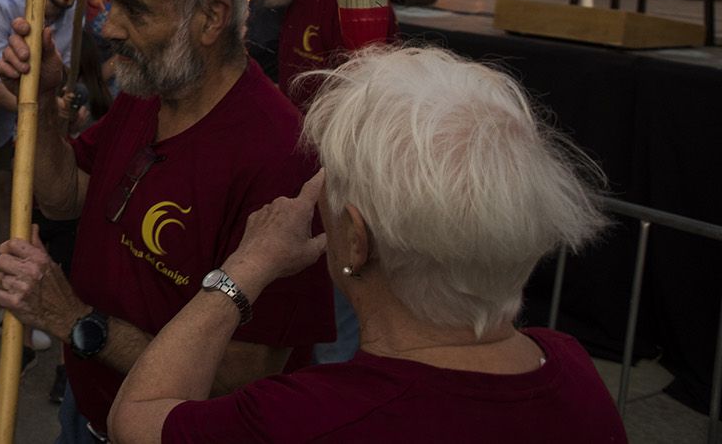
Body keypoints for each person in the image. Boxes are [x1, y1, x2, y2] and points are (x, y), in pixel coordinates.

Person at [107, 47, 620, 444]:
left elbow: (136, 418)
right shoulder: (572, 372)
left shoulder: (304, 417)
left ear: (356, 241)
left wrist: (246, 267)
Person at [0, 0, 334, 441]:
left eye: (134, 9)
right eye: (110, 1)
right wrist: (40, 102)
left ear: (211, 19)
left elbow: (243, 375)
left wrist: (76, 321)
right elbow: (65, 197)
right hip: (87, 408)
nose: (109, 27)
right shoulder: (149, 88)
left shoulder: (280, 157)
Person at [0, 0, 81, 358]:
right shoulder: (1, 2)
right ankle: (0, 299)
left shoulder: (73, 14)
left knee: (38, 203)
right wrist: (35, 110)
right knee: (1, 196)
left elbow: (63, 74)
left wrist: (63, 106)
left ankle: (28, 293)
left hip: (33, 118)